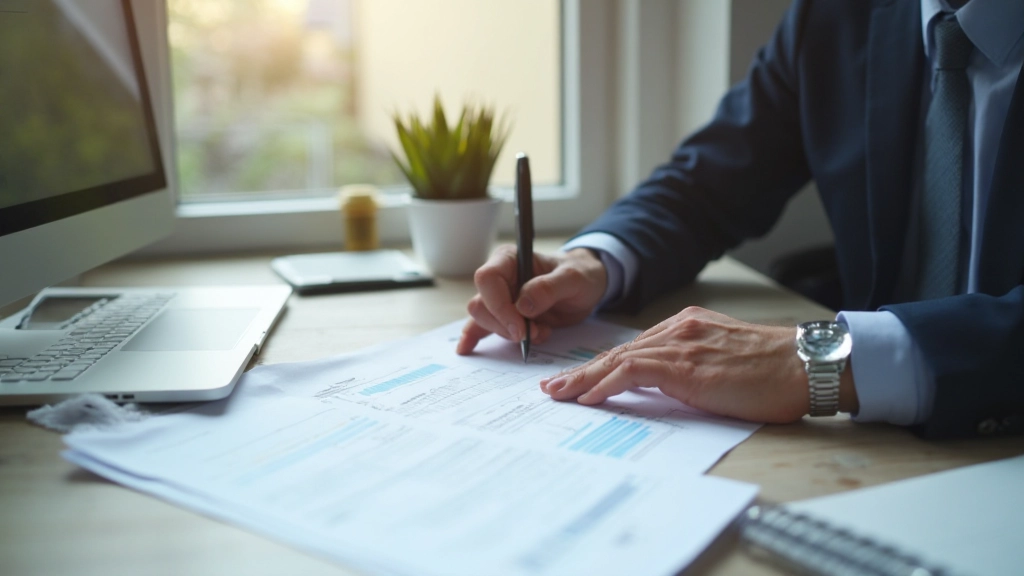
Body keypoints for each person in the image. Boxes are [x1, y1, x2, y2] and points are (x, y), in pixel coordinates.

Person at [456, 0, 1024, 439]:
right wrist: (593, 263)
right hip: (876, 453)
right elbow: (708, 184)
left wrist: (821, 359)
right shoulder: (838, 15)